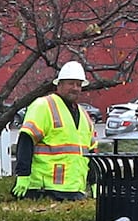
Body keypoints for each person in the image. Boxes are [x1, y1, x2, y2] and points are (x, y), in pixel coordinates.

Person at [13, 61, 96, 201]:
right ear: (59, 84)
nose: (75, 88)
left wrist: (94, 181)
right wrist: (23, 174)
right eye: (71, 83)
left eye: (78, 84)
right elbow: (26, 140)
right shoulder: (43, 106)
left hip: (74, 189)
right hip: (45, 189)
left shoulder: (84, 115)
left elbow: (91, 154)